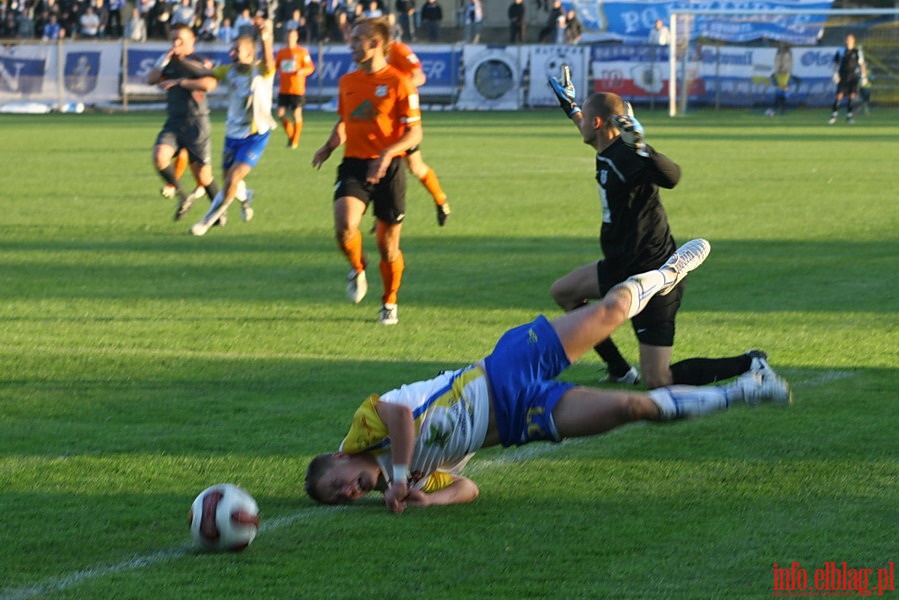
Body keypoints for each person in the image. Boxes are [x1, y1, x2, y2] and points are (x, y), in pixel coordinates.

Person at [305, 239, 792, 511]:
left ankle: (668, 271)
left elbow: (400, 415)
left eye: (338, 484)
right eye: (342, 499)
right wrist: (428, 500)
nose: (349, 492)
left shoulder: (362, 433)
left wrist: (394, 477)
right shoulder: (405, 481)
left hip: (502, 370)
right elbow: (468, 488)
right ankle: (747, 390)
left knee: (609, 311)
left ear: (337, 458)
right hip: (523, 419)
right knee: (633, 408)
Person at [547, 69, 770, 389]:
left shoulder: (629, 156)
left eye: (584, 118)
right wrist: (570, 108)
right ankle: (620, 370)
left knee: (658, 380)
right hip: (619, 266)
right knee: (565, 293)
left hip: (654, 276)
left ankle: (750, 362)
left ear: (597, 125)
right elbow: (593, 127)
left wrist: (644, 148)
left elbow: (673, 177)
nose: (580, 123)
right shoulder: (607, 148)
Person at [311, 17, 423, 326]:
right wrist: (329, 145)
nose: (350, 43)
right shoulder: (348, 82)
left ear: (375, 44)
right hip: (355, 165)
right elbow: (346, 121)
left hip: (389, 169)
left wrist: (388, 152)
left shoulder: (400, 82)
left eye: (357, 38)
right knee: (344, 227)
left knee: (388, 249)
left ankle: (389, 301)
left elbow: (415, 134)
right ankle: (358, 267)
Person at [189, 17, 277, 236]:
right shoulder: (229, 71)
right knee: (230, 181)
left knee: (232, 179)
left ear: (249, 52)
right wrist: (181, 62)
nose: (232, 53)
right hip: (232, 134)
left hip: (256, 135)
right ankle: (245, 196)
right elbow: (204, 74)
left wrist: (266, 36)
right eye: (232, 49)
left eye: (237, 49)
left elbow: (269, 60)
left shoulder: (262, 72)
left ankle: (207, 221)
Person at [147, 23, 221, 222]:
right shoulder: (168, 62)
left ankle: (219, 212)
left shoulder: (198, 61)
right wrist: (163, 61)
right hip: (174, 121)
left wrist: (181, 82)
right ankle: (183, 195)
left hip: (196, 122)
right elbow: (151, 79)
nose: (176, 43)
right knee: (159, 156)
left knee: (203, 176)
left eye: (180, 39)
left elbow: (210, 83)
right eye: (173, 39)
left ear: (192, 40)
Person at [385, 29, 451, 225]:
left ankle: (441, 200)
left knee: (414, 166)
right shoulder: (371, 56)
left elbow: (419, 76)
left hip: (404, 118)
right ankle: (383, 213)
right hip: (384, 119)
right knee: (380, 162)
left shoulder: (399, 50)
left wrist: (399, 89)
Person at [275, 27, 316, 149]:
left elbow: (310, 68)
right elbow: (275, 67)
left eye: (292, 36)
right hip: (284, 89)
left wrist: (302, 71)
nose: (290, 38)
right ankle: (291, 134)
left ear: (296, 37)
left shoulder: (302, 52)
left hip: (297, 89)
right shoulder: (281, 53)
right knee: (280, 114)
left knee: (296, 113)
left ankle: (295, 141)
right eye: (288, 36)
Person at [829, 33, 866, 125]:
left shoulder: (857, 52)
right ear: (845, 41)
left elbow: (862, 64)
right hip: (843, 76)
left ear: (853, 41)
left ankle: (849, 116)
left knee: (852, 96)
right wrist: (835, 74)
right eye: (847, 40)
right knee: (839, 96)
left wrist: (863, 76)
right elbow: (835, 63)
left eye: (850, 40)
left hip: (853, 77)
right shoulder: (841, 50)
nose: (849, 41)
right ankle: (834, 115)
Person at [767, 43, 795, 117]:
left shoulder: (787, 73)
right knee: (778, 101)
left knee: (782, 101)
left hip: (784, 89)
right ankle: (773, 110)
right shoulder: (777, 73)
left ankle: (780, 111)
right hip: (779, 89)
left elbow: (789, 65)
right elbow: (776, 67)